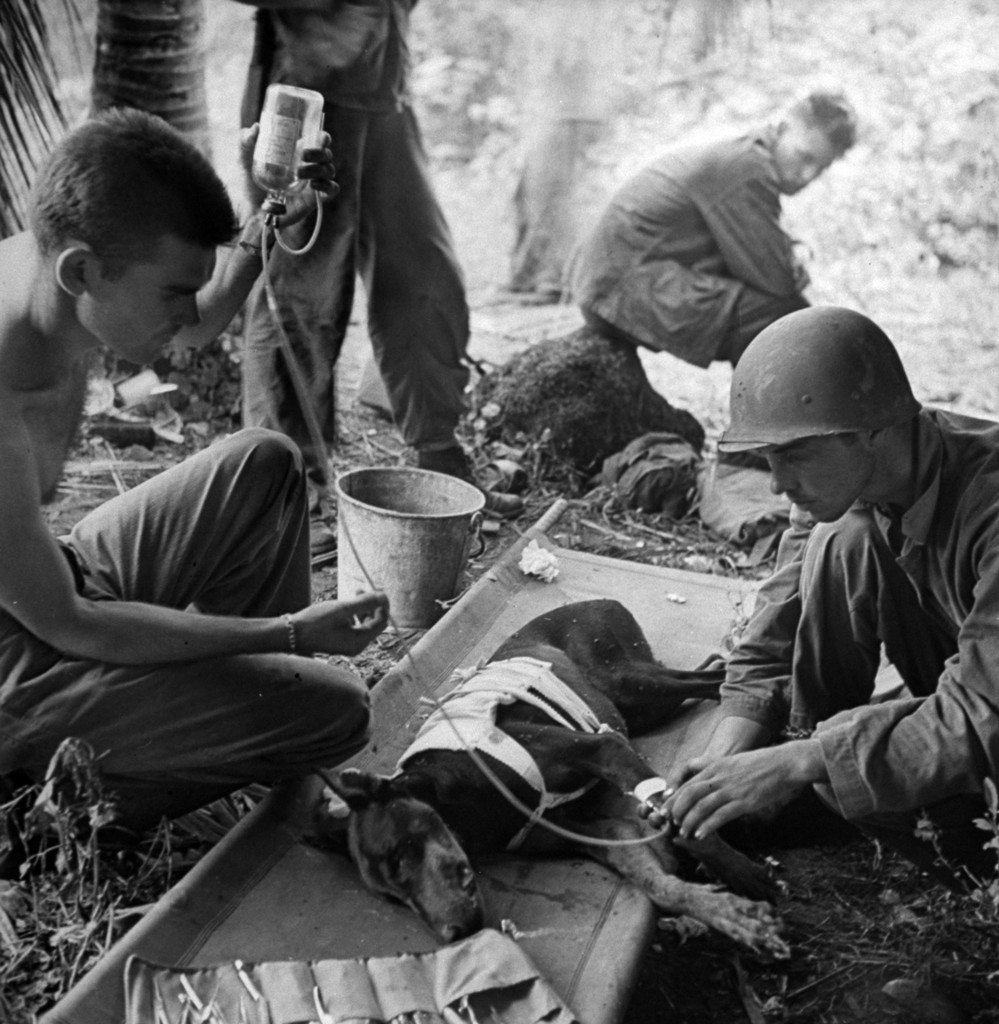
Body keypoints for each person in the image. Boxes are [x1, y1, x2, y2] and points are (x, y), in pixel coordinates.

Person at [0, 107, 390, 873]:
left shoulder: (48, 268)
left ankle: (232, 710)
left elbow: (197, 321)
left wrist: (271, 212)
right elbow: (77, 626)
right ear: (82, 272)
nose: (189, 315)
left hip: (48, 576)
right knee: (338, 712)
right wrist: (286, 635)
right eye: (173, 292)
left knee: (264, 463)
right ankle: (46, 823)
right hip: (21, 663)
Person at [658, 306, 999, 887]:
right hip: (966, 681)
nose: (775, 482)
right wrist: (729, 753)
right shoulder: (854, 481)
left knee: (847, 774)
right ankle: (825, 784)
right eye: (768, 459)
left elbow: (983, 715)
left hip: (988, 710)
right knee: (842, 539)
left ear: (873, 431)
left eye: (793, 455)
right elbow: (776, 622)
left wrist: (807, 761)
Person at [232, 2, 523, 555]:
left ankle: (438, 453)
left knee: (424, 276)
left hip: (385, 96)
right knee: (303, 299)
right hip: (306, 98)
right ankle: (286, 498)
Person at [569, 90, 858, 369]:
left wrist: (790, 250)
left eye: (820, 168)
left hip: (616, 283)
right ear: (783, 127)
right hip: (618, 290)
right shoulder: (747, 166)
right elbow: (776, 278)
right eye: (804, 157)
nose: (807, 175)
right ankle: (770, 417)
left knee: (784, 316)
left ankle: (769, 412)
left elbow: (758, 244)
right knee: (786, 318)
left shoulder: (748, 155)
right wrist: (789, 260)